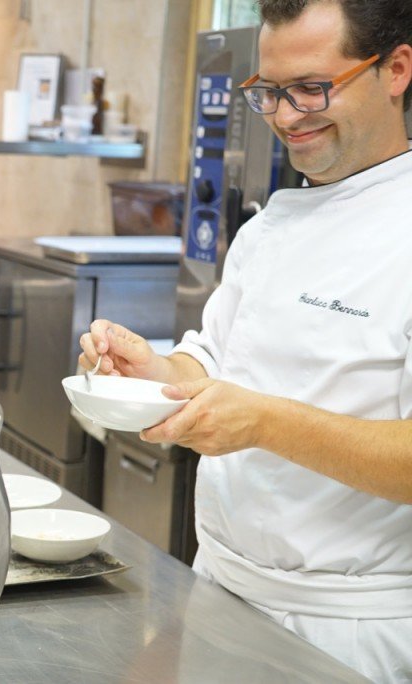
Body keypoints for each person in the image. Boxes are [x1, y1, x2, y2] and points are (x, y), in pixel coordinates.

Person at [81, 1, 412, 681]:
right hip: (218, 594)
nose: (287, 116)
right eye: (269, 92)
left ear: (397, 69)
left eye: (313, 88)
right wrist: (148, 369)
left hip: (347, 630)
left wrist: (262, 422)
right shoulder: (267, 229)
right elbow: (211, 366)